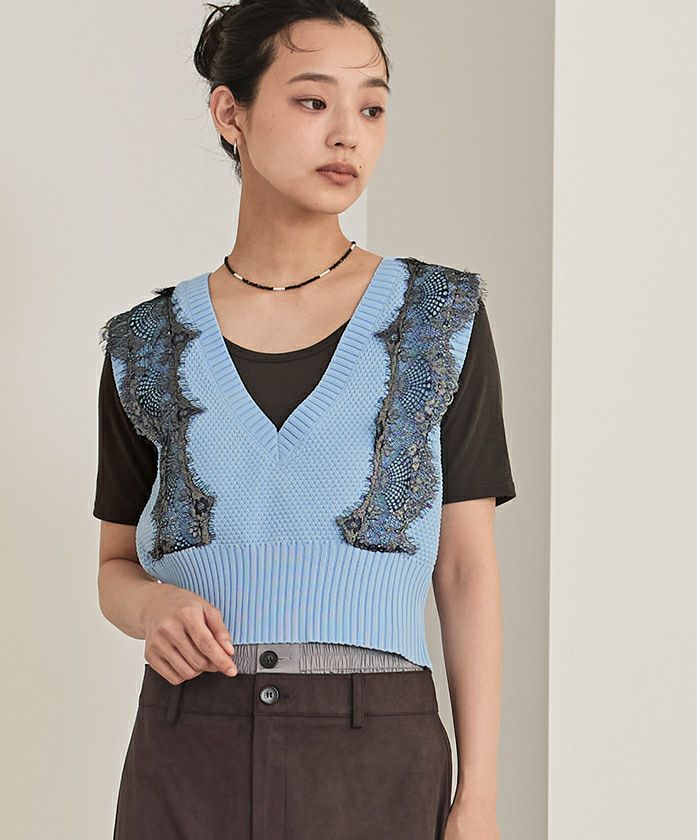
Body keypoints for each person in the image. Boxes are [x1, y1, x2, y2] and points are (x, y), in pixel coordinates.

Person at [94, 2, 516, 838]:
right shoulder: (144, 344)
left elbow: (466, 569)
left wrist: (479, 797)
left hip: (379, 752)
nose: (348, 135)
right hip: (187, 744)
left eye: (372, 107)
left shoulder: (440, 320)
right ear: (231, 112)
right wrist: (150, 610)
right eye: (313, 100)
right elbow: (113, 565)